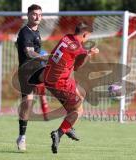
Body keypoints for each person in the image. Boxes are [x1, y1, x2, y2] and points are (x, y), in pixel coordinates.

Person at [41, 22, 99, 154]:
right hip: (60, 82)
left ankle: (68, 126)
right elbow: (78, 66)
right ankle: (59, 133)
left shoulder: (66, 37)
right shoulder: (79, 49)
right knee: (78, 110)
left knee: (81, 94)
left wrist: (86, 52)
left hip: (53, 76)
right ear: (85, 34)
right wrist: (88, 54)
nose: (88, 39)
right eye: (88, 36)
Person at [16, 4, 49, 151]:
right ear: (28, 15)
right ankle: (22, 137)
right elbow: (29, 53)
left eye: (40, 15)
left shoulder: (37, 32)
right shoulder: (25, 32)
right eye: (35, 14)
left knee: (53, 77)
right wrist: (45, 57)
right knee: (27, 104)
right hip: (26, 73)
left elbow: (37, 51)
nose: (37, 17)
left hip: (37, 70)